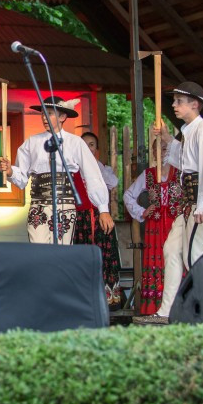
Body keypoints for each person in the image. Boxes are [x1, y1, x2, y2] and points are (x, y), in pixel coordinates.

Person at [135, 81, 203, 325]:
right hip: (186, 204)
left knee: (193, 256)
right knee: (171, 251)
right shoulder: (188, 132)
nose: (174, 105)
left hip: (198, 203)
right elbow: (183, 162)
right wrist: (166, 138)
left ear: (194, 104)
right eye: (174, 101)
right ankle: (167, 310)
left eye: (179, 101)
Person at [0, 97, 112, 246]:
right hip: (38, 205)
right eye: (43, 114)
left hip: (64, 205)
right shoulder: (32, 142)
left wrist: (103, 208)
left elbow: (93, 176)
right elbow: (22, 179)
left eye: (50, 113)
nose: (45, 118)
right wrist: (10, 172)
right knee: (38, 250)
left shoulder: (75, 142)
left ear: (63, 116)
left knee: (61, 252)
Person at [123, 138, 182, 316]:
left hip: (176, 224)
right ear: (154, 153)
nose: (163, 152)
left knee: (176, 261)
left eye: (166, 149)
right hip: (154, 228)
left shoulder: (181, 173)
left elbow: (194, 194)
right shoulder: (148, 175)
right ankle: (155, 308)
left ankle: (177, 307)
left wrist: (185, 208)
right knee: (158, 263)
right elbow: (128, 196)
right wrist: (142, 211)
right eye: (159, 149)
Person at [79, 131, 121, 307]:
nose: (88, 148)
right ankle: (82, 299)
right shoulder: (74, 168)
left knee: (104, 255)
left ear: (96, 149)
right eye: (84, 144)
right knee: (81, 257)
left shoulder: (101, 168)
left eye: (91, 145)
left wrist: (94, 166)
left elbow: (113, 182)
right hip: (80, 220)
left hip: (100, 217)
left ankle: (107, 299)